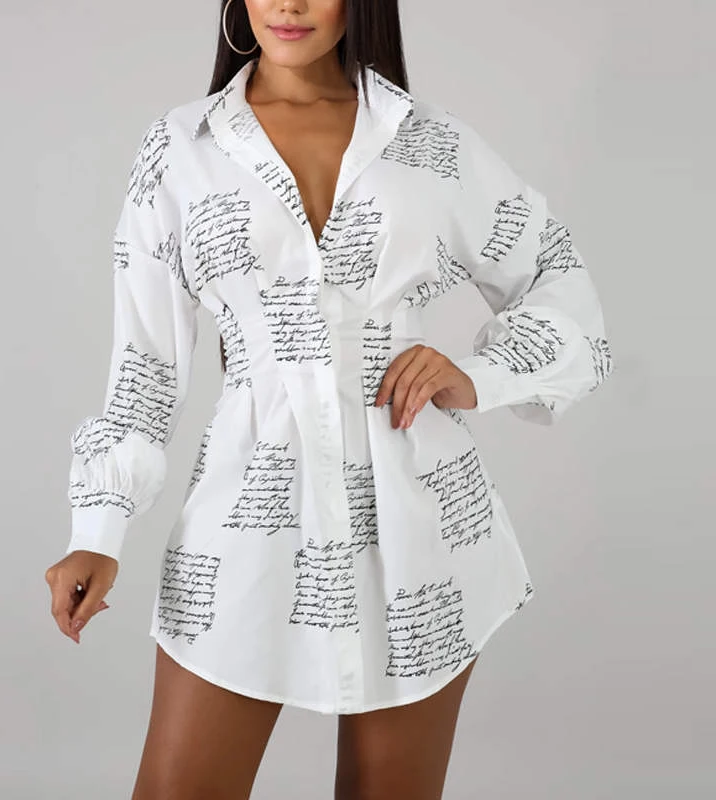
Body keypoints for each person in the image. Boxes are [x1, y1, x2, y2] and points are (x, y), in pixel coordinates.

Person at [45, 1, 614, 797]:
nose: (289, 4)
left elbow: (557, 275)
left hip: (421, 538)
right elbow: (146, 367)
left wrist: (476, 373)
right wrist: (98, 531)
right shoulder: (181, 149)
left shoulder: (430, 142)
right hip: (244, 527)